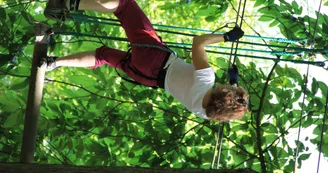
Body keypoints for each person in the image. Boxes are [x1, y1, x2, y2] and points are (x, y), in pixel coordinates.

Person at [44, 0, 249, 121]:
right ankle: (53, 62)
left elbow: (198, 43)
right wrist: (234, 84)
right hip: (147, 77)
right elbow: (226, 104)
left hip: (156, 58)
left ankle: (65, 4)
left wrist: (227, 37)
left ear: (227, 95)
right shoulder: (204, 112)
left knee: (124, 5)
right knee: (102, 55)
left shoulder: (206, 80)